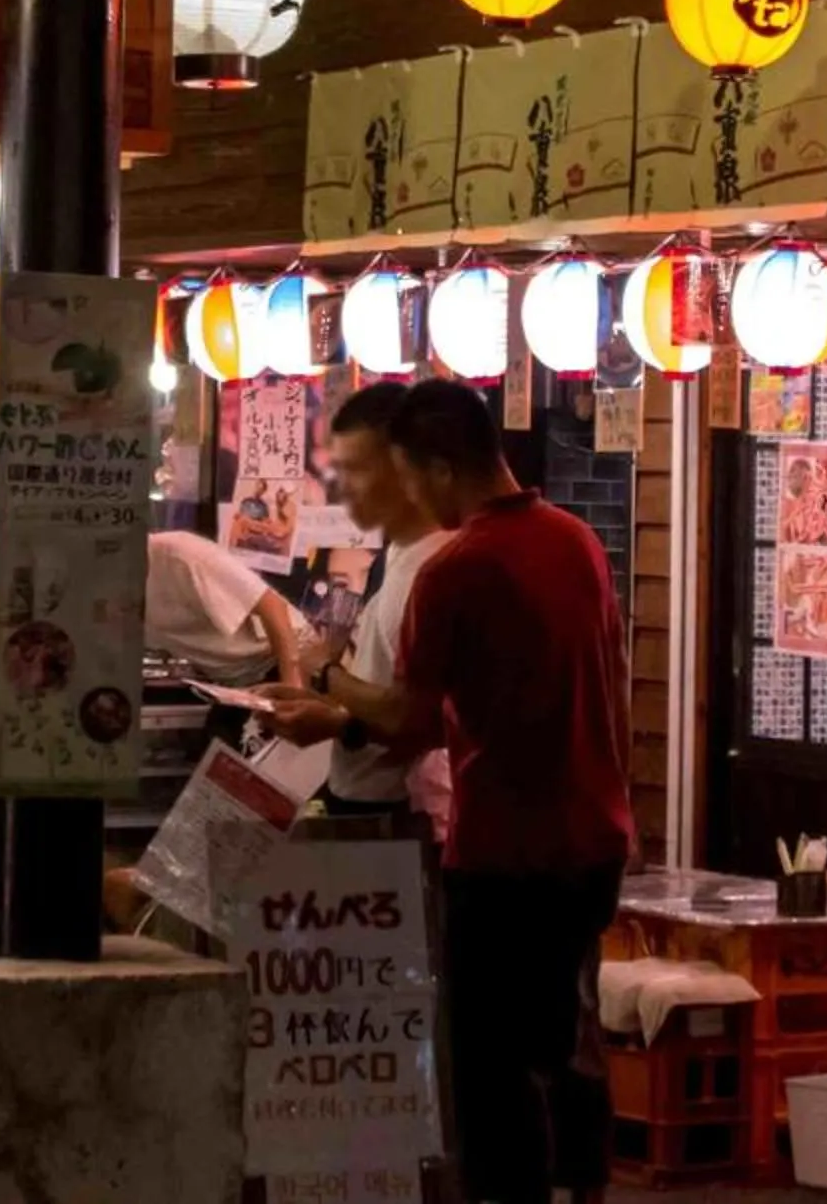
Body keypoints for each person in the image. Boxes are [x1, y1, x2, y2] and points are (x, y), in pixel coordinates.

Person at [258, 379, 634, 1204]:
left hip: (505, 847)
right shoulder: (576, 539)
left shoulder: (457, 567)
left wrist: (329, 675)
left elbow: (405, 718)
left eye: (402, 473)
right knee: (565, 1037)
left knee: (491, 1064)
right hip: (597, 837)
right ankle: (587, 1190)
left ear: (435, 466)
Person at [309, 382, 449, 824]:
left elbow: (417, 721)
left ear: (405, 467)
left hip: (415, 817)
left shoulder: (439, 570)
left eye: (356, 470)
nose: (343, 488)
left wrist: (325, 676)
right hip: (372, 806)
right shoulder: (400, 555)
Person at [145, 524, 313, 686]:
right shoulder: (123, 592)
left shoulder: (180, 552)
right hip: (234, 678)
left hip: (277, 657)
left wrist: (293, 687)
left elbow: (272, 605)